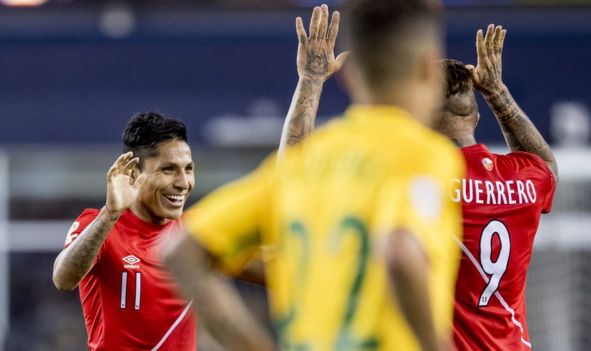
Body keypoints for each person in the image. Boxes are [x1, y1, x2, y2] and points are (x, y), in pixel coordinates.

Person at [164, 2, 463, 351]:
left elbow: (179, 250)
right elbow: (400, 251)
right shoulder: (424, 155)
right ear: (429, 68)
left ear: (350, 75)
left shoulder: (304, 162)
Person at [438, 25, 557, 350]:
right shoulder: (525, 178)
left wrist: (311, 81)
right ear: (476, 115)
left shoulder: (424, 180)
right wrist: (496, 92)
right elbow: (548, 167)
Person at [52, 112, 197, 350]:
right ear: (133, 173)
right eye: (169, 169)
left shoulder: (195, 232)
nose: (183, 183)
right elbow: (63, 279)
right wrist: (110, 214)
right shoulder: (99, 225)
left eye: (188, 169)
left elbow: (271, 264)